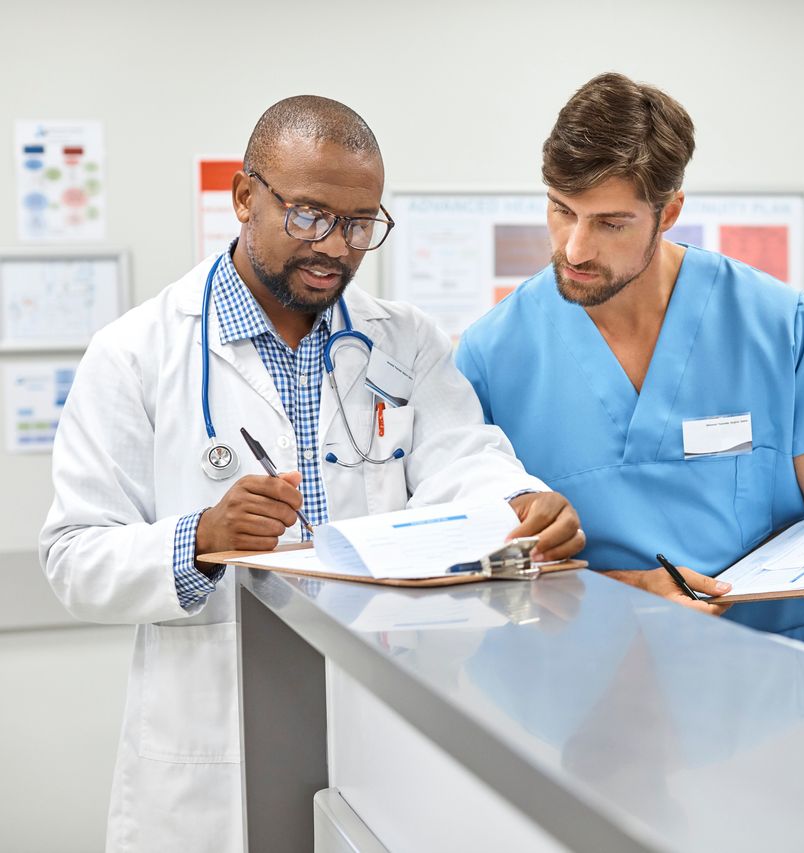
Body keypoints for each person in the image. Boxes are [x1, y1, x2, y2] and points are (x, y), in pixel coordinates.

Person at [39, 95, 583, 851]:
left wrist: (518, 501)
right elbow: (73, 555)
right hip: (215, 745)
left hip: (382, 725)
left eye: (361, 224)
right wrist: (198, 538)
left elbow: (465, 461)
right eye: (309, 215)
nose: (336, 245)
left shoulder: (406, 341)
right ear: (243, 196)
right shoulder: (135, 354)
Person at [456, 73, 804, 661]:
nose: (575, 248)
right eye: (561, 210)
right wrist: (627, 592)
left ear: (669, 211)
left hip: (774, 686)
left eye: (611, 223)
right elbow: (474, 568)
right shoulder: (491, 355)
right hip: (591, 699)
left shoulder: (776, 325)